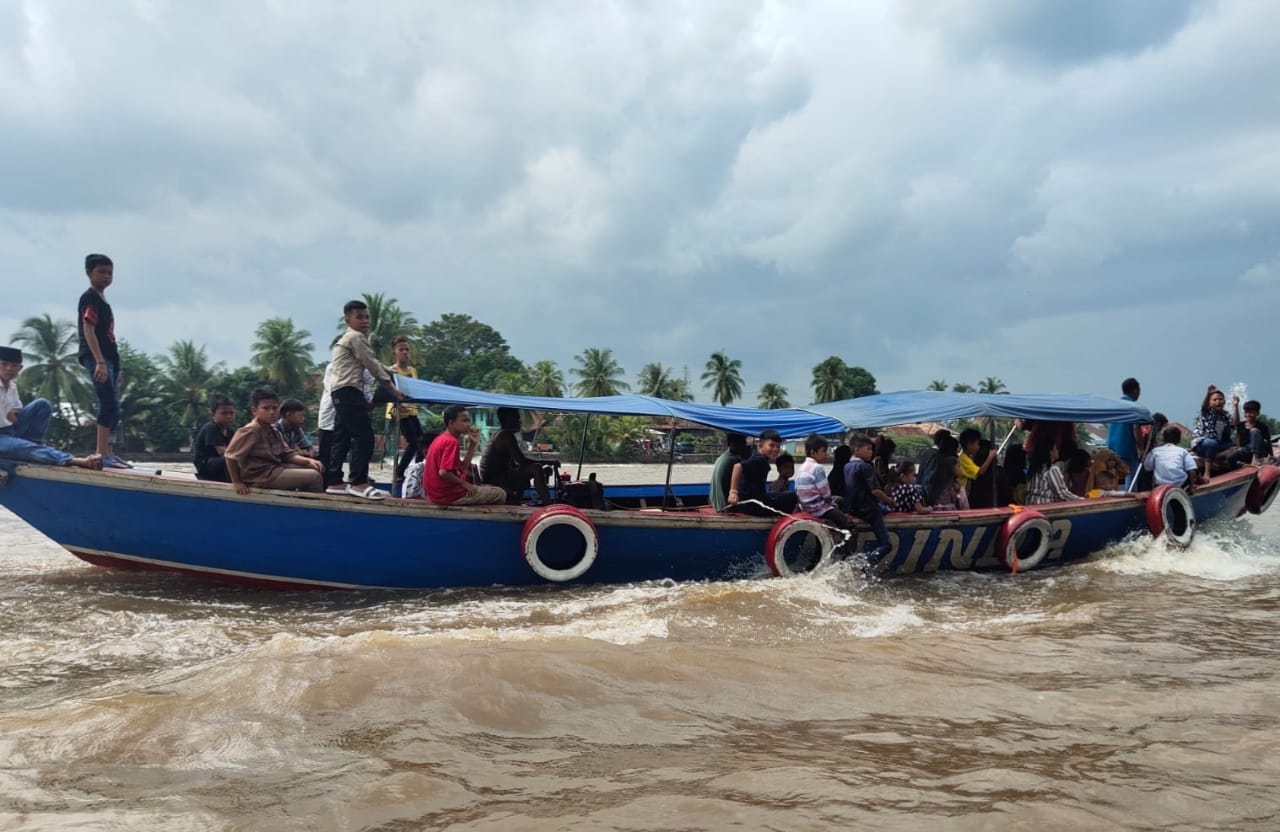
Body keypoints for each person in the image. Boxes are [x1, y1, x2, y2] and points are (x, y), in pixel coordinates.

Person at [328, 300, 404, 500]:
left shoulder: (348, 339)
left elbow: (374, 361)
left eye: (367, 316)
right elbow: (371, 364)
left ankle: (334, 481)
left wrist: (390, 370)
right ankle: (358, 483)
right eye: (359, 317)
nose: (365, 321)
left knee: (342, 438)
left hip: (339, 393)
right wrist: (392, 388)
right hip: (349, 391)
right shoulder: (355, 337)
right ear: (348, 319)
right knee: (364, 437)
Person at [0, 346, 101, 469]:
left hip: (10, 431)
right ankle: (73, 460)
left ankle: (33, 443)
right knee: (25, 448)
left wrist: (9, 413)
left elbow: (15, 414)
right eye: (4, 364)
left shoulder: (12, 387)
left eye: (13, 365)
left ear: (19, 368)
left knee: (42, 404)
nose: (8, 368)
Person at [76, 253, 129, 468]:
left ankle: (109, 451)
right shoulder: (90, 298)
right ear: (89, 273)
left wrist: (115, 368)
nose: (107, 276)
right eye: (101, 272)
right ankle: (101, 453)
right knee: (107, 402)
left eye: (110, 273)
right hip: (97, 357)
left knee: (114, 405)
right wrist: (99, 361)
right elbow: (88, 330)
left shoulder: (102, 300)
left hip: (109, 358)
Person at [223, 388, 325, 494]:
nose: (271, 412)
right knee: (314, 477)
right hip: (260, 476)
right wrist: (236, 482)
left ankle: (298, 500)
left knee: (317, 467)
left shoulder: (273, 430)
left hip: (275, 469)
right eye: (266, 408)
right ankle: (306, 507)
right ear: (254, 410)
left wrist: (309, 461)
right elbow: (230, 457)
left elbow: (287, 454)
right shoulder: (250, 431)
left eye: (274, 408)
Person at [424, 405, 506, 506]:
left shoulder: (441, 439)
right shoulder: (451, 442)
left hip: (437, 495)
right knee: (500, 493)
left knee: (487, 488)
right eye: (464, 421)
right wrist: (465, 484)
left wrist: (472, 445)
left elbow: (462, 468)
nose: (468, 424)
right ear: (451, 423)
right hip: (447, 496)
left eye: (468, 420)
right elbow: (444, 473)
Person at [481, 407, 551, 504]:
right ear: (508, 419)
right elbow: (522, 461)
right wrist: (547, 462)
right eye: (517, 418)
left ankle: (517, 501)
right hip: (495, 480)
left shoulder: (499, 433)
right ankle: (548, 504)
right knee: (536, 468)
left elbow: (516, 463)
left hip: (496, 476)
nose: (520, 421)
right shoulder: (506, 435)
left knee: (527, 470)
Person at [726, 428, 798, 516]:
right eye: (771, 445)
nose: (775, 449)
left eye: (778, 446)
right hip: (751, 505)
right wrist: (733, 492)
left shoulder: (762, 460)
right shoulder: (759, 460)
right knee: (793, 497)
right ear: (760, 446)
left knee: (778, 495)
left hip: (753, 501)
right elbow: (738, 467)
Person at [844, 434, 892, 558]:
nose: (871, 452)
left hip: (853, 509)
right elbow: (875, 491)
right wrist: (890, 500)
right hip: (869, 509)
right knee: (886, 545)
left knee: (884, 509)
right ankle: (867, 563)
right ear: (857, 450)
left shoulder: (847, 466)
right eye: (868, 449)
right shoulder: (865, 467)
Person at [386, 335, 423, 486]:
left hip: (412, 410)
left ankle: (417, 470)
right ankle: (399, 472)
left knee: (422, 442)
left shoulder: (413, 370)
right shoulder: (391, 371)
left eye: (407, 349)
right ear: (394, 352)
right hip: (399, 411)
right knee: (414, 443)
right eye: (401, 349)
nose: (405, 352)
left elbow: (416, 389)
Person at [793, 434, 851, 527]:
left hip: (805, 507)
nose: (826, 454)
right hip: (818, 509)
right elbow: (826, 494)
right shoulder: (817, 468)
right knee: (847, 522)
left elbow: (796, 490)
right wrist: (833, 506)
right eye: (823, 451)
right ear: (813, 452)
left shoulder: (802, 467)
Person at [1191, 385, 1239, 477]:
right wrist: (1208, 394)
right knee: (1211, 443)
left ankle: (1218, 457)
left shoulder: (1225, 415)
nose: (1218, 401)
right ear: (1210, 402)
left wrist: (1236, 406)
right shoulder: (1208, 412)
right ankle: (1207, 473)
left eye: (1220, 399)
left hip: (1218, 444)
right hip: (1202, 444)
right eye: (1214, 400)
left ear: (1224, 402)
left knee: (1236, 447)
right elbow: (1204, 406)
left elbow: (1235, 423)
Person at [1106, 378, 1144, 488]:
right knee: (1131, 477)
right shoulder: (1133, 407)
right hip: (1126, 449)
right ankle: (1130, 499)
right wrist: (1141, 448)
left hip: (1112, 448)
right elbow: (1136, 429)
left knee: (1115, 478)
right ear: (1135, 391)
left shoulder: (1115, 406)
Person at [1025, 437, 1083, 505]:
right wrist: (1080, 500)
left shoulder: (1033, 468)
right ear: (1050, 452)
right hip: (1045, 506)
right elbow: (1062, 493)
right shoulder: (1052, 469)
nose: (1058, 450)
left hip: (1030, 504)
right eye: (1056, 448)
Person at [193, 395, 236, 482]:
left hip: (219, 464)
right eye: (224, 413)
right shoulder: (211, 428)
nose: (228, 416)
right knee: (232, 458)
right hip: (205, 465)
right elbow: (222, 452)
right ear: (213, 414)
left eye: (231, 413)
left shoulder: (230, 432)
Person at [1143, 426, 1200, 491]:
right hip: (1180, 485)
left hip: (1160, 486)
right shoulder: (1182, 451)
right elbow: (1192, 470)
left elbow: (1147, 467)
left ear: (1164, 438)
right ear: (1179, 439)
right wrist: (1192, 486)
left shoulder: (1155, 451)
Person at [709, 433, 749, 511]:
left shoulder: (722, 457)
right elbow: (747, 481)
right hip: (725, 506)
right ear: (734, 444)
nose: (745, 446)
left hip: (717, 504)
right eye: (743, 443)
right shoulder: (734, 460)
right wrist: (747, 459)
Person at [926, 435, 964, 510]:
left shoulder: (935, 457)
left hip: (933, 492)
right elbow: (959, 474)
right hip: (946, 494)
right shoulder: (951, 459)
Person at [1230, 400, 1274, 466]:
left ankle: (1255, 459)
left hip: (1259, 451)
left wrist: (1271, 455)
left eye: (1250, 412)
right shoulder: (1241, 425)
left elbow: (1268, 442)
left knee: (1254, 431)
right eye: (1246, 412)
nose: (1248, 415)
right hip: (1246, 450)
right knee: (1231, 458)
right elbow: (1238, 440)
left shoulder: (1262, 426)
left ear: (1257, 413)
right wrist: (1238, 449)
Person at [957, 428, 997, 496]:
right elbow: (980, 472)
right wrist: (990, 457)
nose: (978, 447)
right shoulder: (964, 459)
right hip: (962, 493)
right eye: (977, 444)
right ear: (969, 445)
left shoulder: (968, 458)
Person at [401, 431, 440, 500]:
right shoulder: (417, 470)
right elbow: (409, 498)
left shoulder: (446, 471)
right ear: (426, 452)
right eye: (441, 450)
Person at [916, 429, 951, 499]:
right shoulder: (937, 456)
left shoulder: (926, 452)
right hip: (930, 493)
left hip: (921, 490)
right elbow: (931, 477)